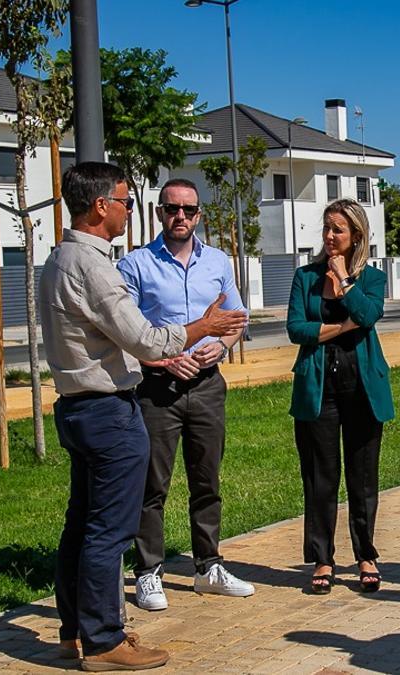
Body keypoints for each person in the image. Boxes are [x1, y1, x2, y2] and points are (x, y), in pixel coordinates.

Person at [40, 162, 247, 671]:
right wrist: (203, 327)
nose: (128, 211)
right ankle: (104, 641)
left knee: (82, 525)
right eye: (125, 201)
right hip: (107, 411)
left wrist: (215, 340)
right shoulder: (95, 267)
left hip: (78, 406)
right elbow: (147, 340)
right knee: (109, 530)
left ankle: (75, 632)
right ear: (100, 206)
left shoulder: (60, 257)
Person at [118, 178, 255, 609]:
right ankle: (148, 572)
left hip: (208, 386)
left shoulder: (217, 262)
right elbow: (125, 333)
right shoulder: (136, 265)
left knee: (207, 480)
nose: (181, 216)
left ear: (199, 215)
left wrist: (222, 346)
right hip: (157, 388)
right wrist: (162, 361)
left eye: (189, 209)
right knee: (152, 484)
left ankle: (207, 567)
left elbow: (238, 317)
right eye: (172, 208)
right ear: (159, 212)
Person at [285, 198, 394, 595]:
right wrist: (341, 327)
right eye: (327, 228)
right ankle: (322, 559)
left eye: (338, 229)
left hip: (363, 389)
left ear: (356, 235)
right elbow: (296, 329)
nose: (330, 236)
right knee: (320, 478)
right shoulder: (305, 277)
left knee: (363, 479)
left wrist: (345, 280)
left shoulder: (372, 278)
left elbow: (367, 315)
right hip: (318, 390)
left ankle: (366, 555)